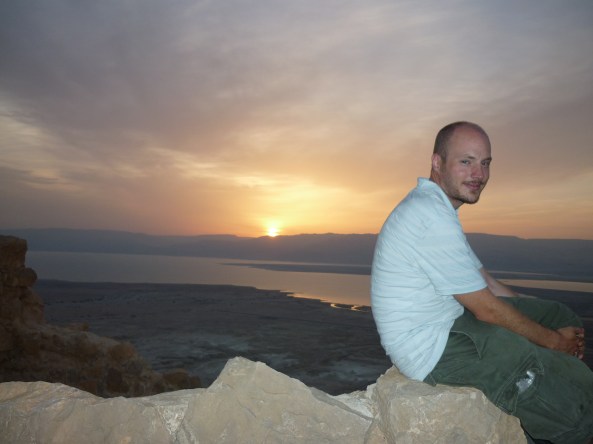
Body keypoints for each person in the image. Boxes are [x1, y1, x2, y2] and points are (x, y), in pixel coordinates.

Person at [370, 121, 593, 443]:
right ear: (437, 162)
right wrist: (554, 343)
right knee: (549, 383)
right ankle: (567, 413)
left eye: (485, 163)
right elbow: (486, 309)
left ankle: (561, 382)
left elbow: (484, 280)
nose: (479, 174)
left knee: (558, 315)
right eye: (466, 161)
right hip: (433, 347)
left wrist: (534, 315)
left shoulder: (437, 208)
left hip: (453, 319)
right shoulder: (428, 215)